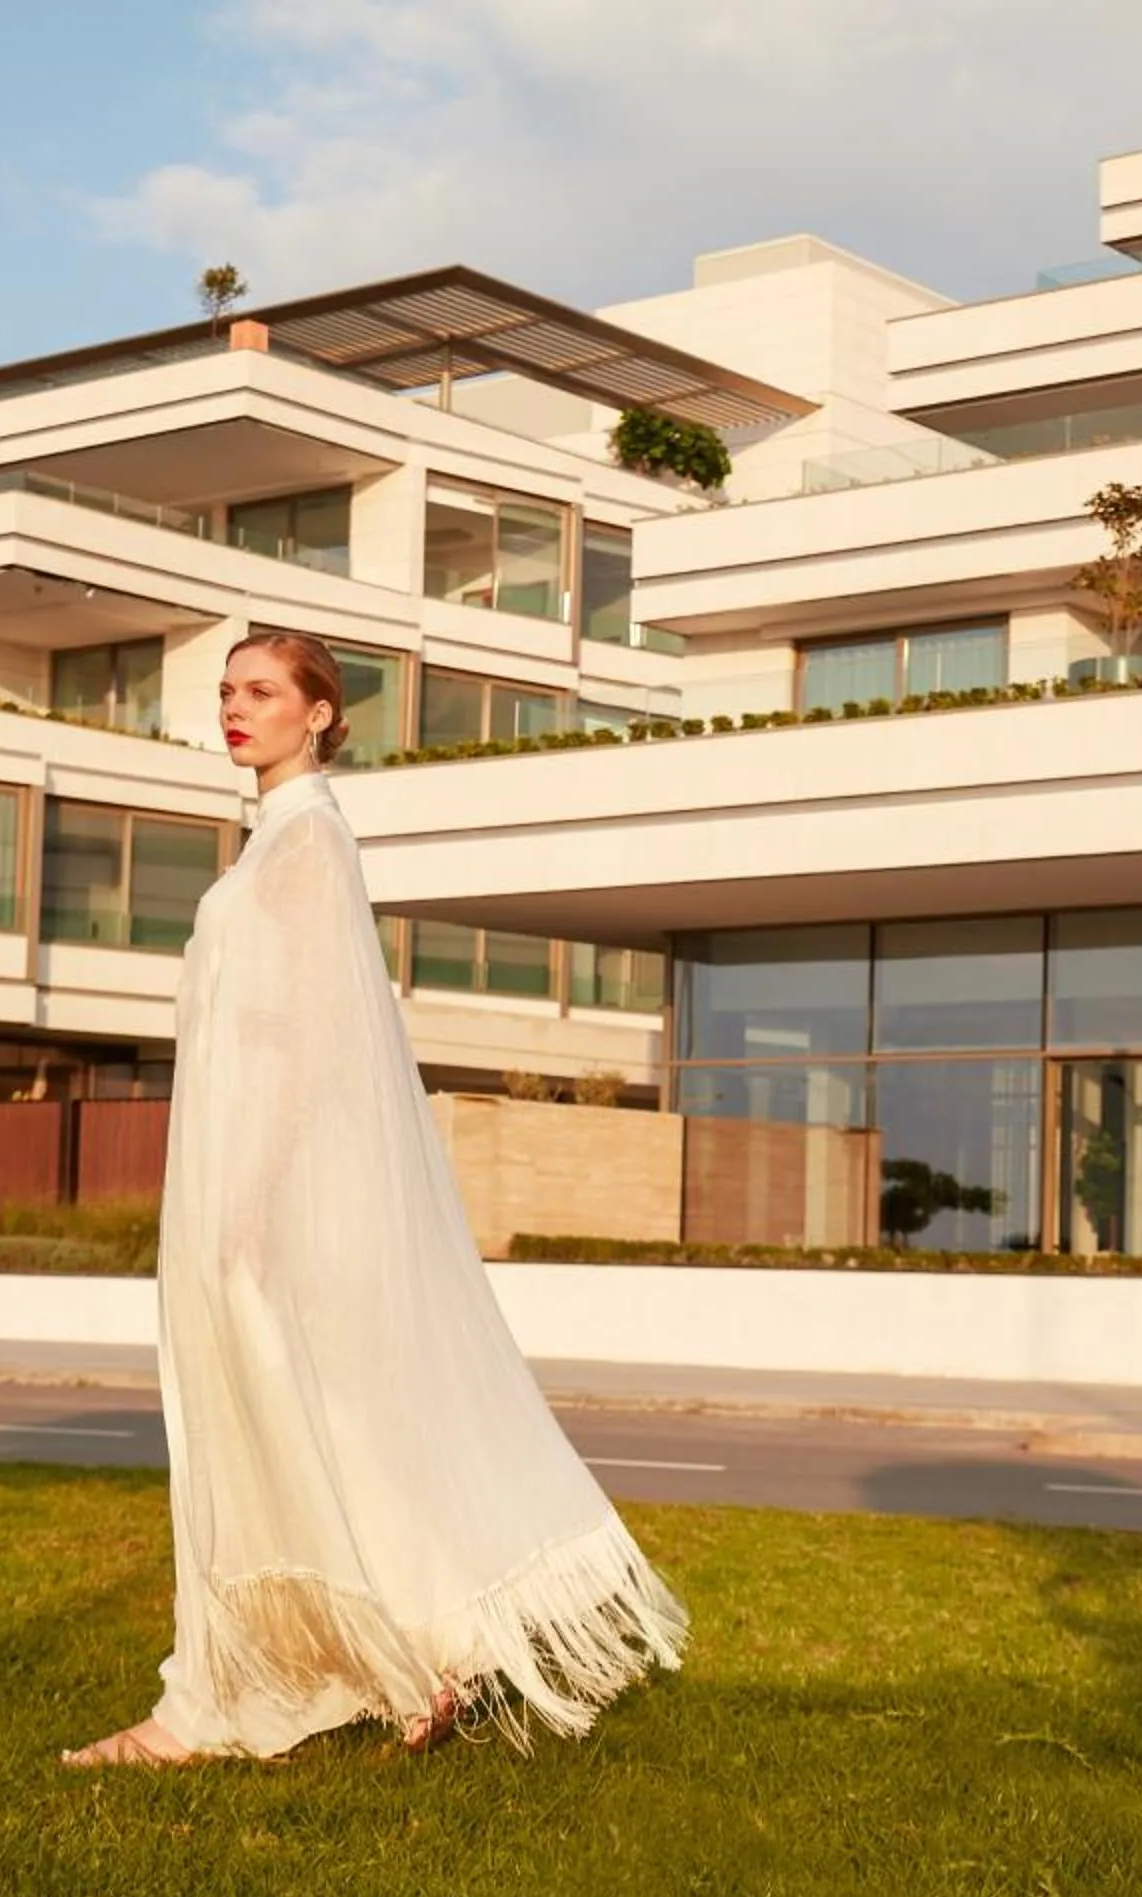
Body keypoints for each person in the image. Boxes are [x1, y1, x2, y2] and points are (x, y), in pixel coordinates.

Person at [64, 632, 685, 1767]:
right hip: (248, 1187)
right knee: (314, 1424)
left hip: (270, 1198)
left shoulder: (305, 844)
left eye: (261, 691)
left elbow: (311, 1041)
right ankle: (405, 1655)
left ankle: (239, 1690)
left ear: (319, 715)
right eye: (226, 691)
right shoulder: (280, 844)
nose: (235, 708)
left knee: (284, 1423)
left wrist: (248, 1203)